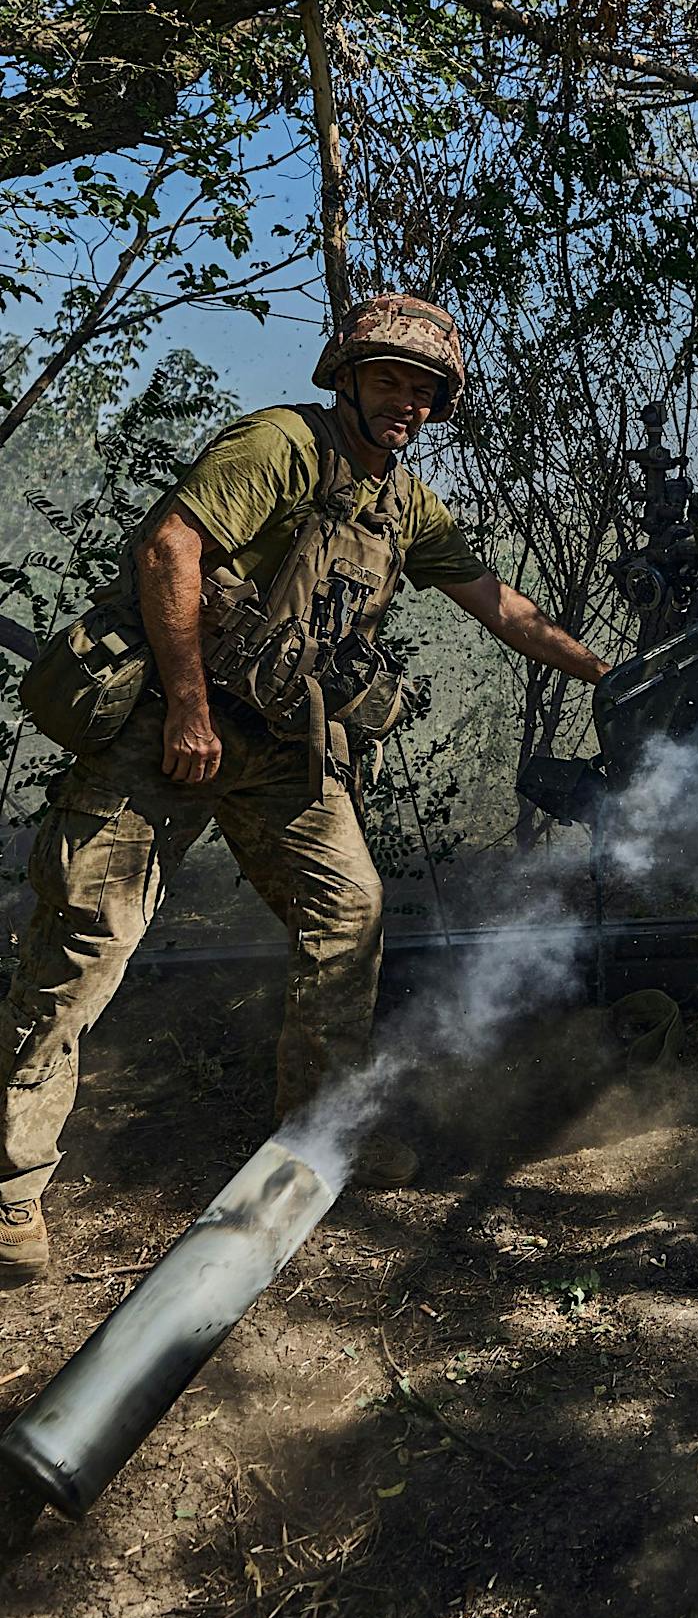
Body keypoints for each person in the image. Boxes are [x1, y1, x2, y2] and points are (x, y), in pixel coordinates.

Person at [0, 295, 609, 1278]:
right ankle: (11, 1185)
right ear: (348, 378)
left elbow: (502, 603)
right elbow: (170, 548)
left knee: (349, 914)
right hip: (169, 729)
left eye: (423, 389)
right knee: (83, 948)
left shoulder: (404, 502)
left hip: (285, 751)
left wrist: (610, 676)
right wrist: (191, 707)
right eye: (388, 380)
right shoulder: (280, 444)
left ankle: (316, 1138)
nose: (405, 402)